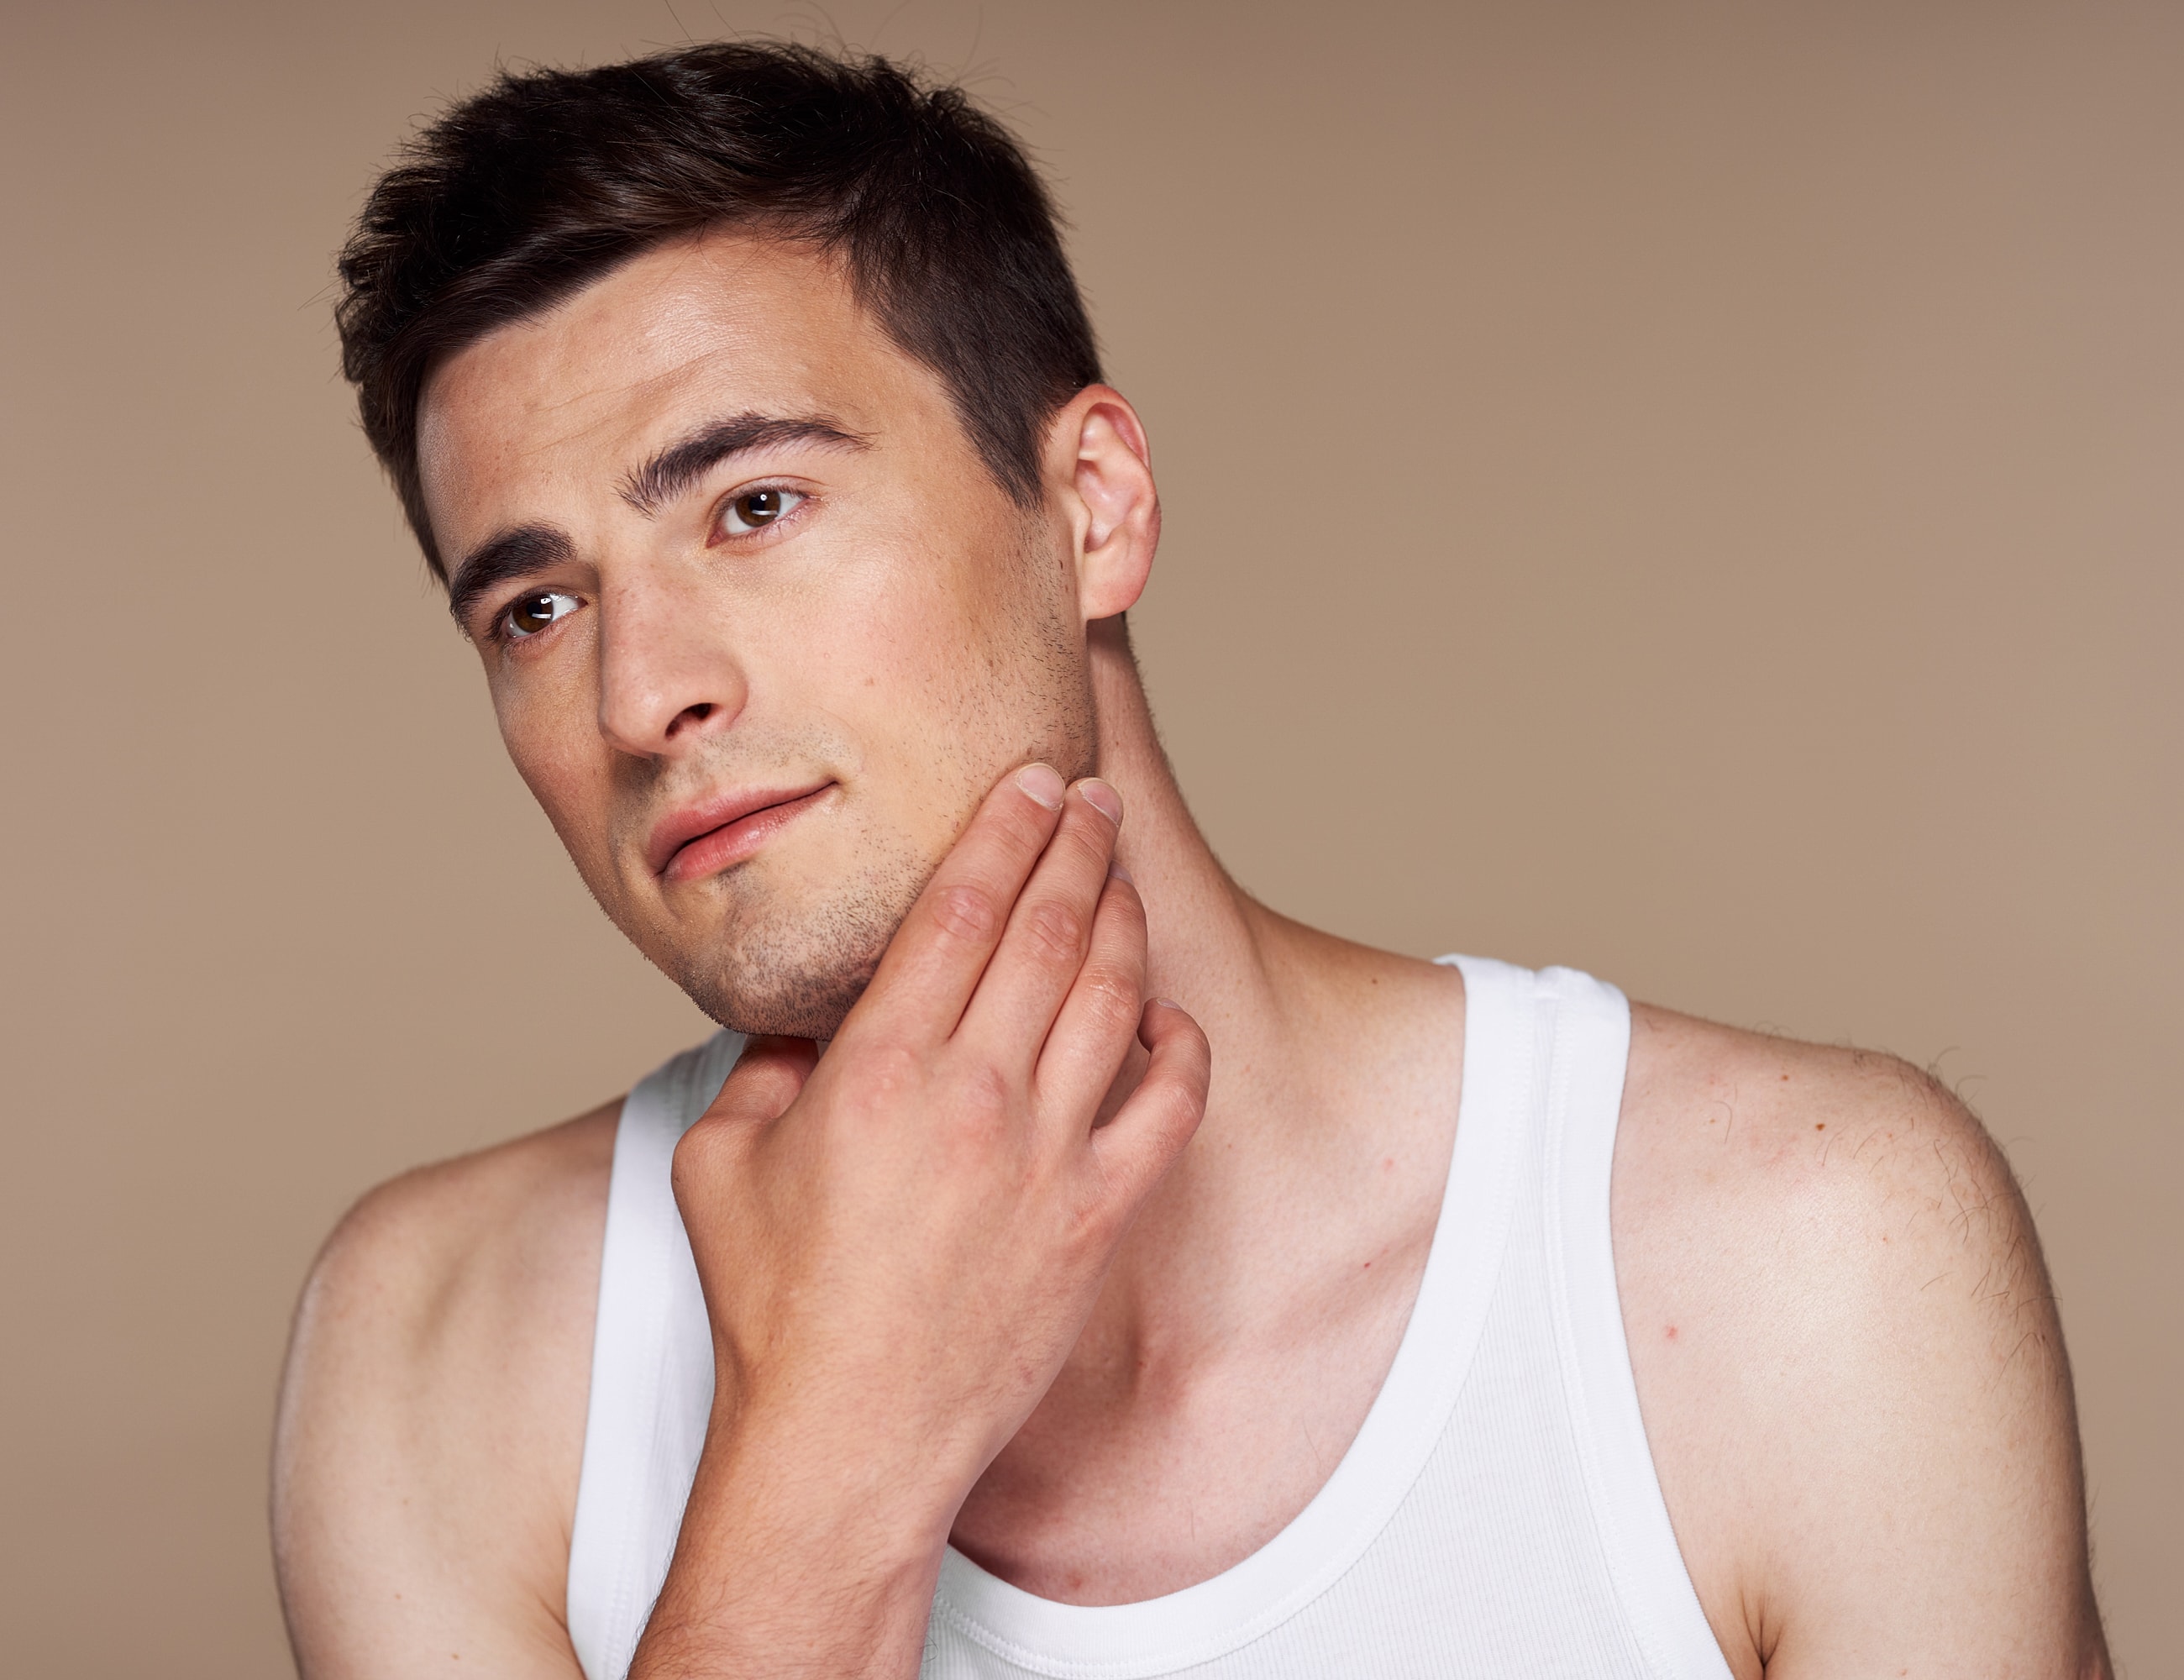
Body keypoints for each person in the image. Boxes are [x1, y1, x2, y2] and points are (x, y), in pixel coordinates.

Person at [272, 41, 2110, 1680]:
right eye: (533, 603)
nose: (639, 690)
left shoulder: (1803, 1260)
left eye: (755, 506)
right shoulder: (440, 1355)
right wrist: (829, 1449)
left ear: (1092, 509)